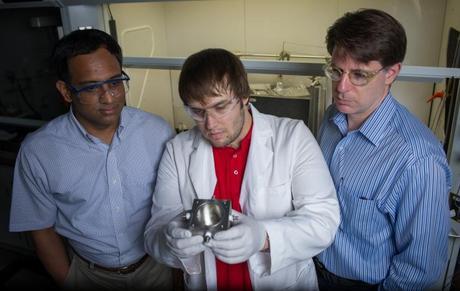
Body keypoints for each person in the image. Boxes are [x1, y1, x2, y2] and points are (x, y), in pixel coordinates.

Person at [144, 48, 340, 290]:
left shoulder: (293, 137)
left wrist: (264, 237)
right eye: (197, 111)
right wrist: (170, 239)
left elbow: (324, 221)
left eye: (220, 107)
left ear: (244, 96)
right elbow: (153, 233)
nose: (210, 124)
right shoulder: (178, 151)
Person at [9, 28, 174, 290]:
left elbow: (173, 205)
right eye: (91, 88)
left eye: (115, 82)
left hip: (156, 268)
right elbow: (40, 227)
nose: (109, 97)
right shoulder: (39, 151)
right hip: (90, 276)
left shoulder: (158, 131)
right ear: (65, 91)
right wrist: (68, 280)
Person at [315, 8, 452, 291]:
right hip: (310, 268)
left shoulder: (418, 159)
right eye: (337, 71)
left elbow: (420, 268)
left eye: (359, 75)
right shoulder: (331, 118)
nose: (341, 87)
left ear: (391, 73)